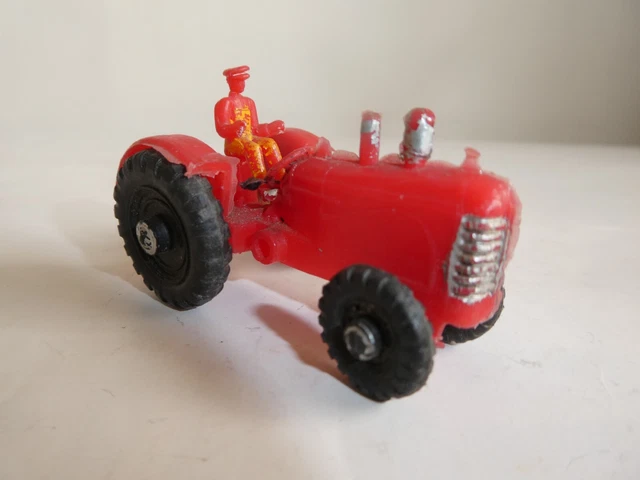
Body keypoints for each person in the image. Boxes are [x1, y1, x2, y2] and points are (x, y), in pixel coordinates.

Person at [214, 66, 285, 183]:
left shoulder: (249, 102)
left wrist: (270, 127)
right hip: (233, 143)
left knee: (270, 143)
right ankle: (260, 180)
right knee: (253, 148)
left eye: (243, 81)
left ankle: (280, 177)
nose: (242, 84)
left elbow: (255, 129)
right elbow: (222, 128)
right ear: (230, 83)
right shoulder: (225, 103)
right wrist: (234, 128)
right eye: (238, 81)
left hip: (250, 137)